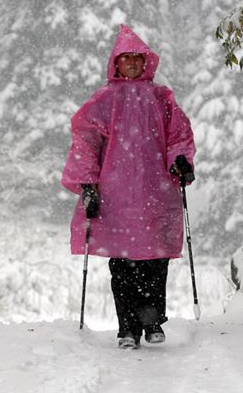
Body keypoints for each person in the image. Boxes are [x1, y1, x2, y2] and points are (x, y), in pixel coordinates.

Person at [61, 25, 196, 349]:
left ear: (146, 62)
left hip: (155, 192)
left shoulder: (162, 98)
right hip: (116, 195)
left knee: (154, 258)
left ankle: (151, 321)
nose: (133, 64)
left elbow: (178, 135)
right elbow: (86, 141)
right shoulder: (105, 100)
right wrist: (88, 184)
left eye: (138, 59)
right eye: (126, 59)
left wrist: (180, 161)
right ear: (116, 64)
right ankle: (127, 328)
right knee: (122, 262)